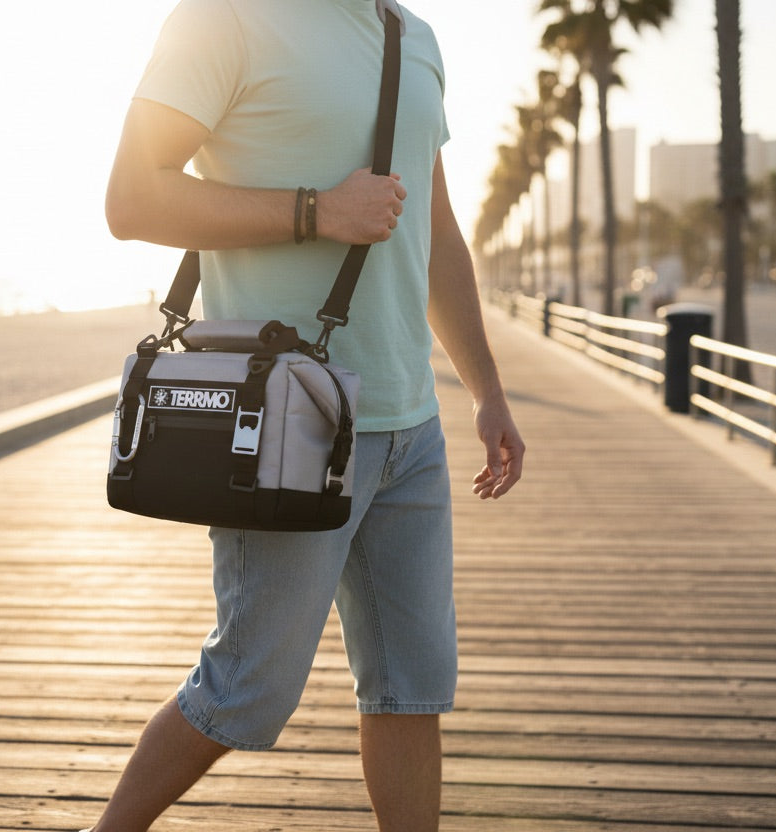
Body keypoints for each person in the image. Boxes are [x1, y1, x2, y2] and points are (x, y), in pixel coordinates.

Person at [89, 2, 524, 830]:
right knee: (245, 688)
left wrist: (487, 389)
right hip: (290, 420)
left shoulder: (414, 37)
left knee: (410, 690)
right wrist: (315, 211)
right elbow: (131, 201)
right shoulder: (227, 20)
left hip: (411, 427)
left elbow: (433, 229)